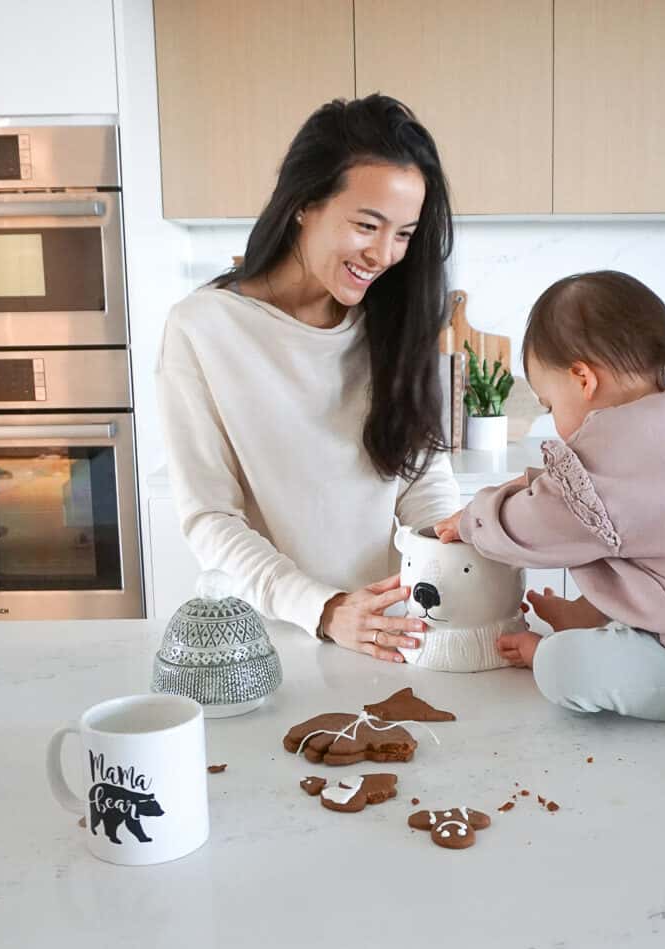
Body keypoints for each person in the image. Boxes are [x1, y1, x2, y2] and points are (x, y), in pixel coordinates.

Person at [156, 95, 461, 662]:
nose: (384, 254)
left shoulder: (393, 321)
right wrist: (322, 609)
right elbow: (209, 518)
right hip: (266, 643)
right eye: (367, 225)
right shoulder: (203, 328)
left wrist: (461, 546)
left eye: (403, 234)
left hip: (390, 632)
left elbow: (423, 480)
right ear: (303, 205)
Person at [435, 271, 665, 721]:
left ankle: (556, 652)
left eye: (549, 405)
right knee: (627, 550)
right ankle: (592, 621)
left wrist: (474, 519)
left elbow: (534, 527)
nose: (552, 420)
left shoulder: (614, 460)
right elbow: (608, 521)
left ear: (582, 379)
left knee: (563, 666)